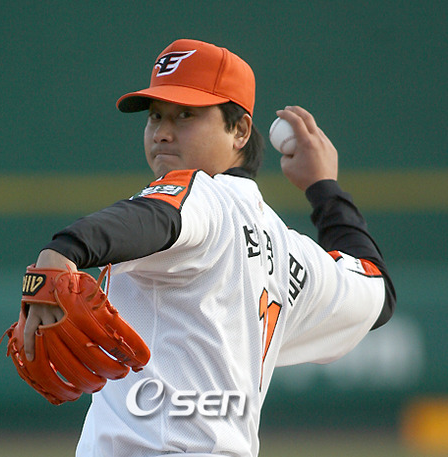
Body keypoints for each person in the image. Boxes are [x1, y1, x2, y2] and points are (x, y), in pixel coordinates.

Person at [22, 39, 395, 457]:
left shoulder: (201, 196)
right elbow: (376, 293)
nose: (162, 132)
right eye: (156, 115)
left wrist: (62, 251)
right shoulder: (290, 253)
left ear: (240, 131)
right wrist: (324, 188)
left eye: (186, 115)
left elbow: (156, 218)